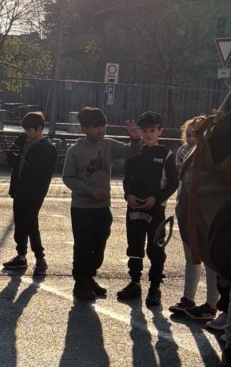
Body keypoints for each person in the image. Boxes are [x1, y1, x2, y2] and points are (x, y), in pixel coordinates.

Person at [61, 106, 141, 302]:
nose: (101, 130)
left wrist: (135, 138)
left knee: (99, 245)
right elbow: (68, 178)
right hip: (82, 208)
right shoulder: (75, 151)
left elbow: (132, 152)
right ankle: (81, 283)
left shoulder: (109, 146)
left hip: (103, 208)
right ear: (84, 129)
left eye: (103, 126)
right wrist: (89, 191)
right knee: (83, 246)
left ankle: (90, 277)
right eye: (96, 127)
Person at [115, 110, 179, 307]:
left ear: (160, 131)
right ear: (140, 132)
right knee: (134, 246)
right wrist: (128, 195)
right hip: (134, 208)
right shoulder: (134, 151)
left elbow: (173, 183)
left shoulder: (166, 154)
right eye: (145, 130)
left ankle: (155, 287)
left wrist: (156, 198)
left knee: (155, 248)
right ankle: (134, 282)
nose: (148, 134)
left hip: (155, 210)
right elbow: (126, 179)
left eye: (152, 130)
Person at [171, 116, 220, 322]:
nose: (192, 137)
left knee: (211, 261)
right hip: (187, 211)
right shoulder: (184, 152)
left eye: (197, 133)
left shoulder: (211, 154)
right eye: (189, 134)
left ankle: (212, 304)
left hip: (206, 213)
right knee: (191, 256)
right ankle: (188, 298)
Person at [3, 111, 57, 277]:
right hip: (19, 190)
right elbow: (11, 160)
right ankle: (21, 255)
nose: (26, 132)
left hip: (33, 194)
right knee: (19, 224)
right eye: (25, 129)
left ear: (40, 128)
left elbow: (44, 177)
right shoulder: (22, 140)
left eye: (30, 129)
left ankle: (40, 258)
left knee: (32, 225)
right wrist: (12, 154)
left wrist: (38, 198)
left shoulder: (47, 148)